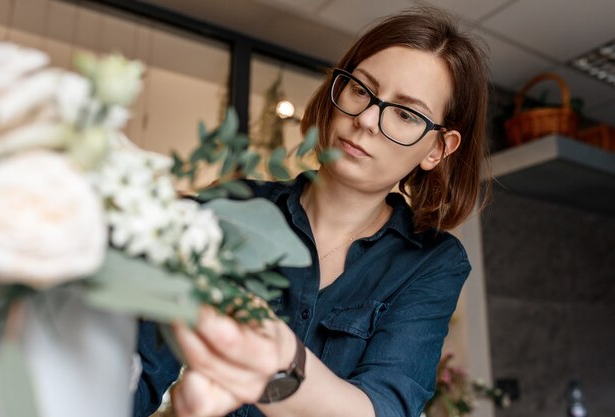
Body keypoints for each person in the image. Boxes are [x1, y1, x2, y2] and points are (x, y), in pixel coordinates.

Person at [134, 6, 490, 417]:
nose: (368, 120)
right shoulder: (229, 210)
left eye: (405, 113)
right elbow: (138, 375)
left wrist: (273, 359)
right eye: (362, 90)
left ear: (437, 149)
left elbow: (384, 407)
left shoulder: (431, 261)